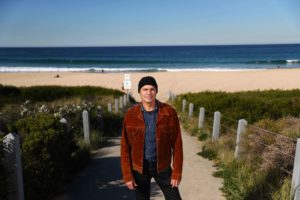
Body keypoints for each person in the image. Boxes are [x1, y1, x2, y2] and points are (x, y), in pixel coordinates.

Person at [121, 76, 183, 200]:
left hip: (163, 166)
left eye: (152, 89)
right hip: (140, 168)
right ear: (139, 92)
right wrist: (128, 176)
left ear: (156, 91)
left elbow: (177, 144)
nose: (149, 93)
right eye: (145, 89)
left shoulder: (169, 112)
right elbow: (125, 147)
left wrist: (176, 173)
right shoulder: (130, 115)